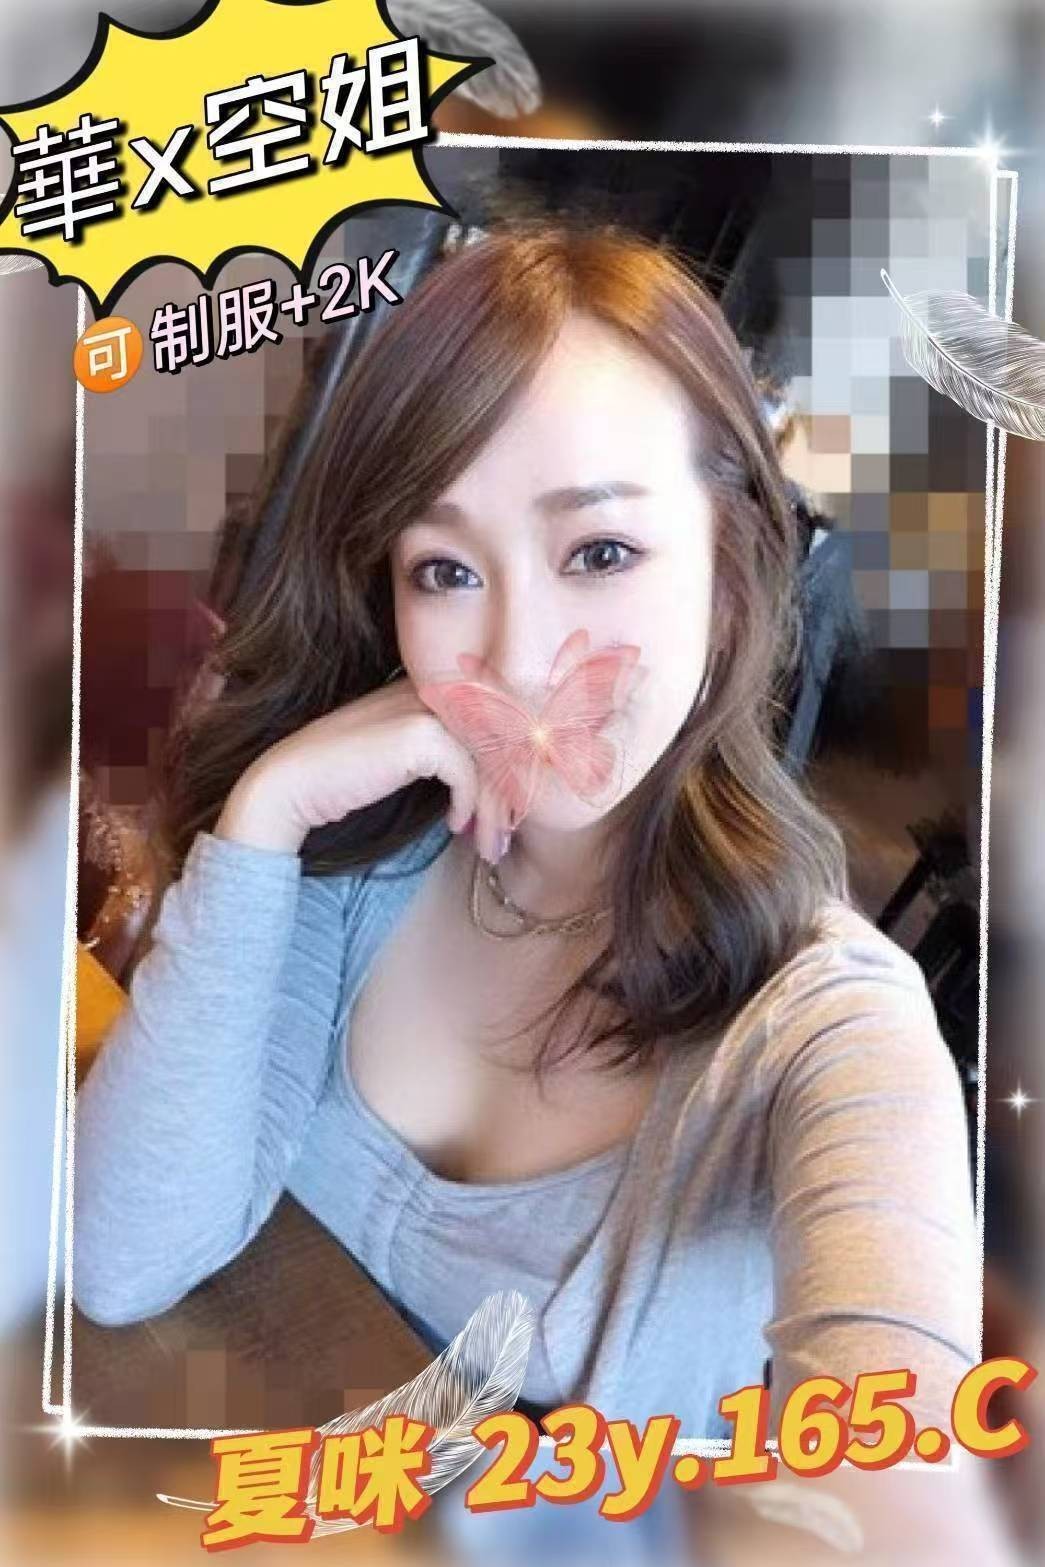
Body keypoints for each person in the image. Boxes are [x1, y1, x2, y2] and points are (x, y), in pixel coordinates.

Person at [73, 224, 979, 1456]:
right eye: (446, 571)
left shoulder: (828, 1028)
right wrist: (268, 810)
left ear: (727, 573)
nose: (517, 655)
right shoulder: (359, 863)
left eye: (599, 552)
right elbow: (120, 1259)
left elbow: (905, 1461)